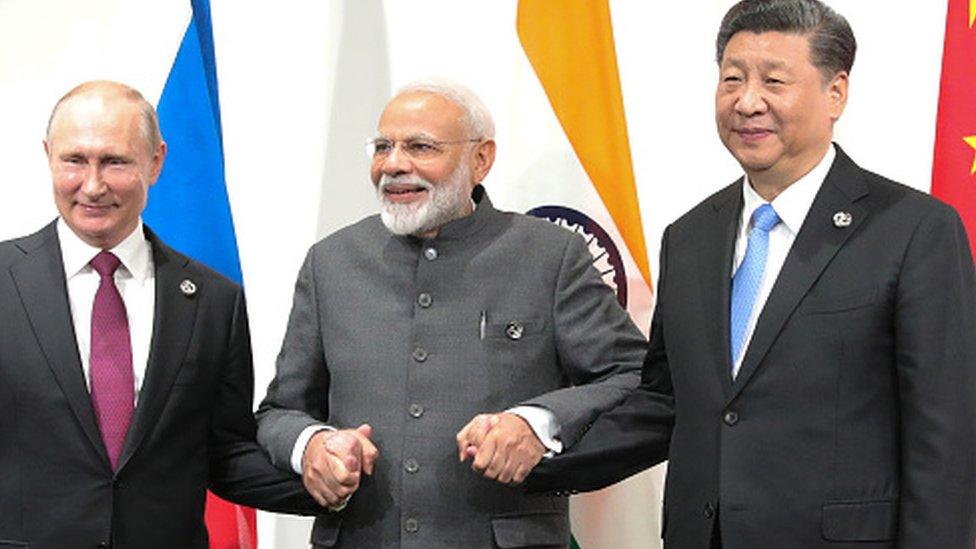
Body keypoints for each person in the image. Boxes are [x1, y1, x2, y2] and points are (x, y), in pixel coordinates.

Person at [524, 1, 976, 547]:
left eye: (774, 81)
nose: (747, 101)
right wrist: (535, 446)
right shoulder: (690, 237)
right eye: (732, 79)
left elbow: (945, 434)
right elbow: (670, 403)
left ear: (836, 92)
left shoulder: (912, 229)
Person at [255, 79, 645, 548]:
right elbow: (279, 411)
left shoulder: (550, 255)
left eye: (420, 147)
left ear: (480, 159)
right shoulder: (331, 263)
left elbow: (634, 376)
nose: (394, 165)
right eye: (383, 147)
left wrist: (538, 423)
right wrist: (311, 445)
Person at [0, 80, 322, 549]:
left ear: (155, 162)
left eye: (114, 161)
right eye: (74, 160)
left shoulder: (214, 301)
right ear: (48, 155)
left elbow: (225, 453)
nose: (92, 185)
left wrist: (333, 483)